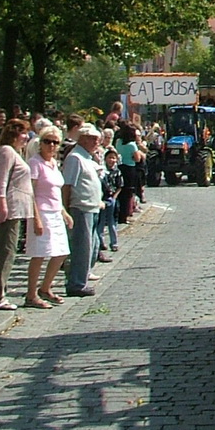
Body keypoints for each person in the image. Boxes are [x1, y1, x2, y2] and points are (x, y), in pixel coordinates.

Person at [0, 119, 32, 311]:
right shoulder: (6, 151)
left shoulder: (15, 152)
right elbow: (0, 181)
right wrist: (2, 205)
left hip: (18, 208)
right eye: (23, 133)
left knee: (9, 251)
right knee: (5, 251)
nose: (27, 137)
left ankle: (0, 291)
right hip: (10, 208)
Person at [25, 127, 69, 307]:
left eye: (55, 142)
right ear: (40, 143)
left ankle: (46, 287)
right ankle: (30, 294)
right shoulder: (35, 163)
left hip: (55, 211)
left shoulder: (54, 163)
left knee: (61, 252)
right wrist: (36, 218)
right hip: (41, 212)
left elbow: (56, 191)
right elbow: (31, 192)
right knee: (40, 254)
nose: (51, 145)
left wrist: (64, 211)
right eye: (47, 141)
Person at [60, 125, 104, 297]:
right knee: (81, 248)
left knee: (92, 246)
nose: (96, 142)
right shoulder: (75, 158)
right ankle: (76, 283)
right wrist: (66, 208)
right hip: (79, 207)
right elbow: (67, 185)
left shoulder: (88, 157)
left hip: (92, 206)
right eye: (93, 139)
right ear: (83, 138)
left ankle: (82, 278)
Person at [114, 122, 145, 223]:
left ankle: (117, 214)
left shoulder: (118, 141)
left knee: (120, 191)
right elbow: (137, 158)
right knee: (128, 193)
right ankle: (124, 216)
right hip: (130, 169)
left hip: (120, 167)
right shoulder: (132, 145)